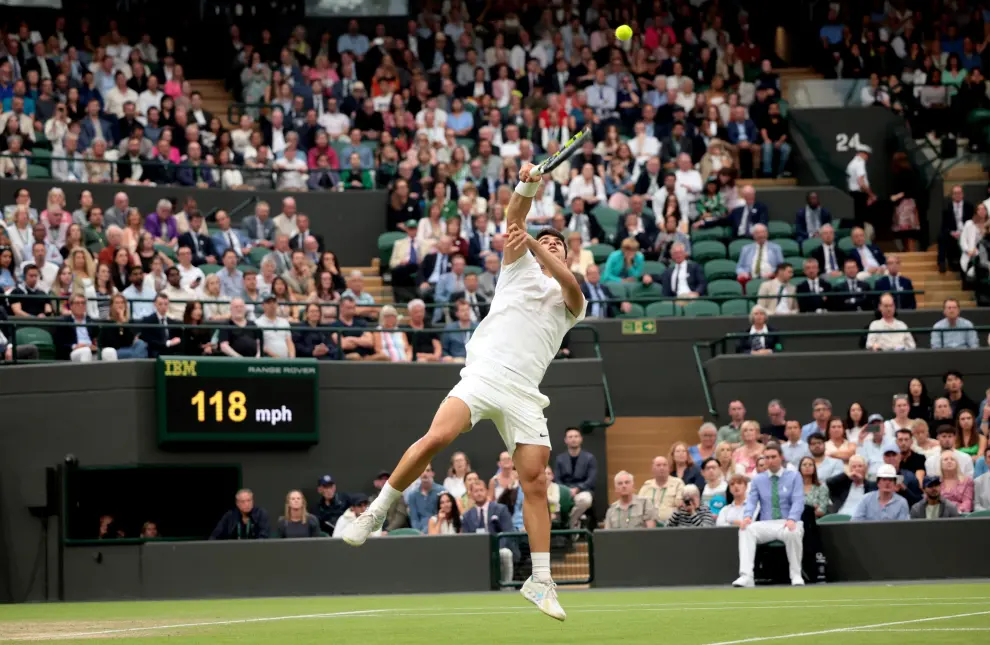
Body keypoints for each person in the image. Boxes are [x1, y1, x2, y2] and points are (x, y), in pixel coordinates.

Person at [733, 443, 805, 588]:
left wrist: (792, 519)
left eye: (773, 457)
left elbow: (798, 501)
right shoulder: (758, 479)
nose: (770, 460)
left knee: (793, 532)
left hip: (788, 522)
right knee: (746, 529)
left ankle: (796, 575)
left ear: (781, 458)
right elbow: (752, 501)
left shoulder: (794, 476)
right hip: (767, 524)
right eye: (767, 457)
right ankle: (746, 576)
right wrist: (747, 517)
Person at [553, 427, 597, 530]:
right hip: (564, 492)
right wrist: (566, 491)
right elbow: (557, 479)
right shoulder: (560, 459)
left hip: (583, 491)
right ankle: (574, 522)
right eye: (570, 437)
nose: (573, 439)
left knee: (585, 500)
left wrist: (578, 489)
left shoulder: (589, 458)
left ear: (581, 439)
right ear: (566, 440)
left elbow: (591, 479)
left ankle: (570, 521)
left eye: (576, 436)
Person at [845, 145, 876, 227]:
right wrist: (871, 195)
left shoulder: (851, 163)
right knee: (861, 220)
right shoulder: (860, 163)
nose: (867, 158)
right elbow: (861, 183)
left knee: (857, 218)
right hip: (860, 195)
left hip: (853, 195)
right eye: (867, 155)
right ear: (863, 154)